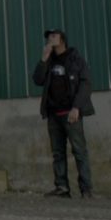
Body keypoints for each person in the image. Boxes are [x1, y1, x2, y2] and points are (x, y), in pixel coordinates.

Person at [32, 29, 96, 199]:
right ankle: (62, 187)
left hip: (71, 113)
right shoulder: (49, 60)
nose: (49, 38)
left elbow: (86, 84)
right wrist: (43, 59)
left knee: (79, 151)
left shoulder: (75, 59)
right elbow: (37, 80)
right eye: (48, 36)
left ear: (62, 40)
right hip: (53, 114)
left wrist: (76, 107)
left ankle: (86, 189)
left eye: (53, 36)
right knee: (58, 153)